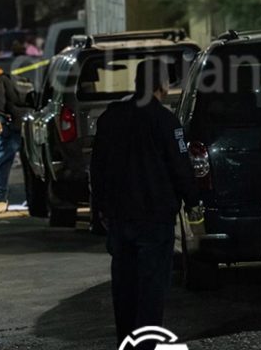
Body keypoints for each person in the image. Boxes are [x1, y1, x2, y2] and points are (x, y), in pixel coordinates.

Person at [89, 59, 199, 345]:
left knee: (124, 287)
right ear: (162, 85)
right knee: (151, 289)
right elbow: (181, 167)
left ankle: (125, 341)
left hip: (119, 217)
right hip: (154, 217)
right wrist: (193, 202)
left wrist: (97, 209)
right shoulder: (165, 120)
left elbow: (97, 168)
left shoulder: (110, 118)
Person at [0, 63, 30, 204]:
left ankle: (0, 195)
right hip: (26, 123)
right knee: (30, 163)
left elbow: (0, 99)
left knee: (3, 161)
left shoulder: (1, 81)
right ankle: (31, 197)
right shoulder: (20, 80)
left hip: (9, 124)